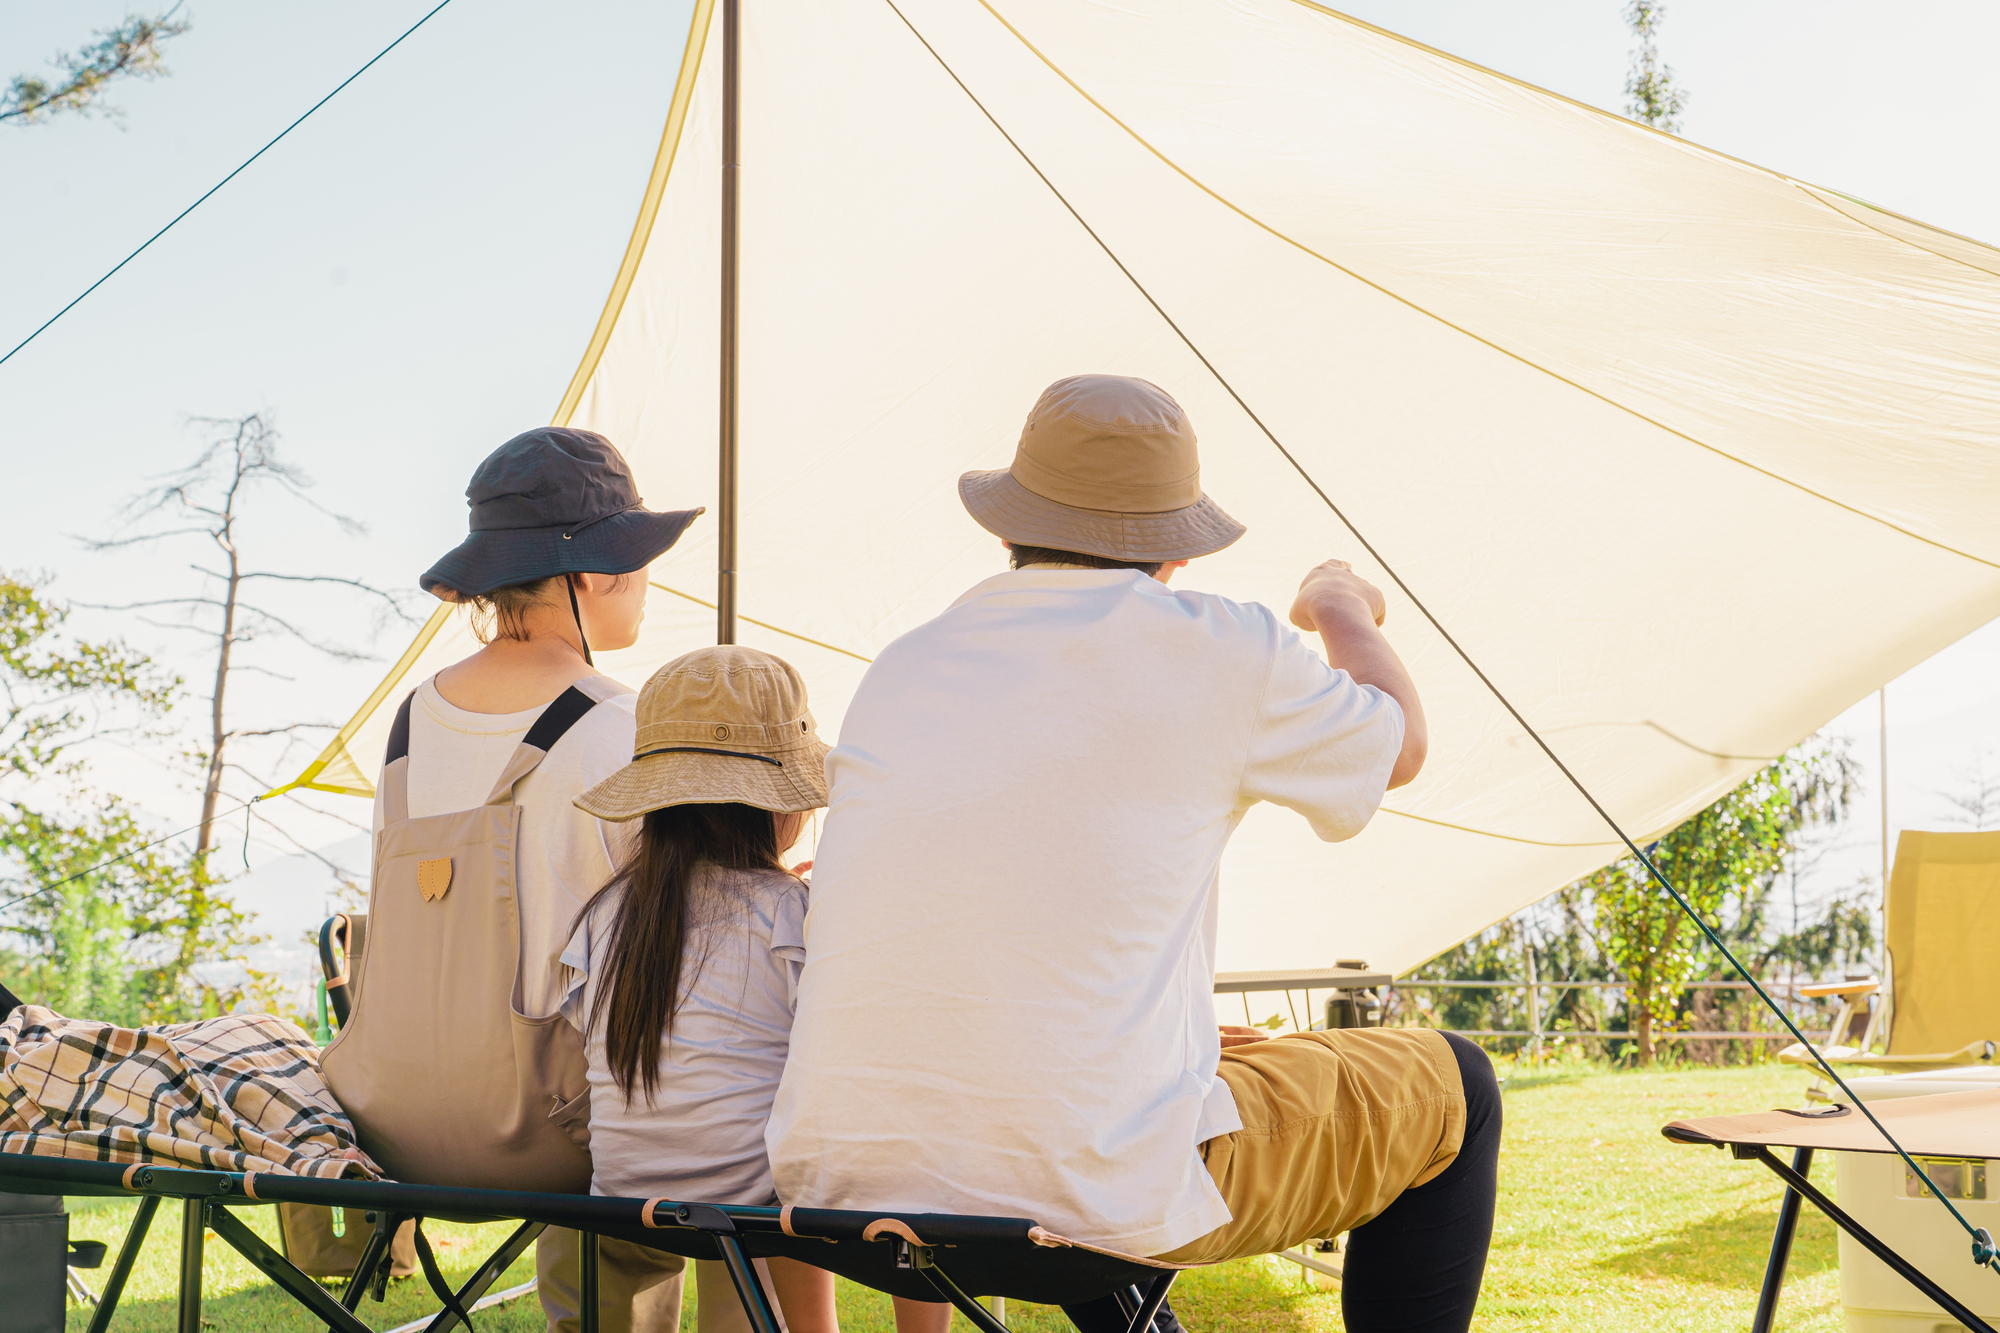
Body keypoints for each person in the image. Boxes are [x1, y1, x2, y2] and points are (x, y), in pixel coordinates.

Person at [768, 374, 1501, 1333]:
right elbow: (1397, 746)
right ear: (1173, 550)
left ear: (1007, 528)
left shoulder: (906, 662)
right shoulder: (1224, 647)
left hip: (842, 1188)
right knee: (1460, 1086)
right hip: (1082, 1196)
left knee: (1115, 1111)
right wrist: (1337, 605)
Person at [404, 425, 703, 1333]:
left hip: (405, 1106)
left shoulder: (411, 717)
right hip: (546, 1125)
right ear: (589, 574)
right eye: (637, 561)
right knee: (732, 1095)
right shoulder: (626, 723)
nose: (648, 581)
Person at [564, 645, 952, 1333]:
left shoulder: (607, 912)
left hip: (624, 1194)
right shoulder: (789, 912)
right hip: (754, 1203)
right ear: (780, 805)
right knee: (893, 1131)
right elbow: (847, 1058)